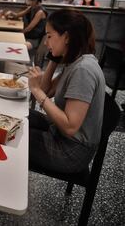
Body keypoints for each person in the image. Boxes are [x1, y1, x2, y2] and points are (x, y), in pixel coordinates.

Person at [28, 9, 105, 173]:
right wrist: (54, 59)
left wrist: (35, 89)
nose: (46, 42)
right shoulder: (75, 62)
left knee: (13, 134)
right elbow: (47, 91)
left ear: (67, 37)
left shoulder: (83, 70)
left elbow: (70, 127)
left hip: (72, 151)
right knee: (19, 118)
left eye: (49, 36)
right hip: (60, 133)